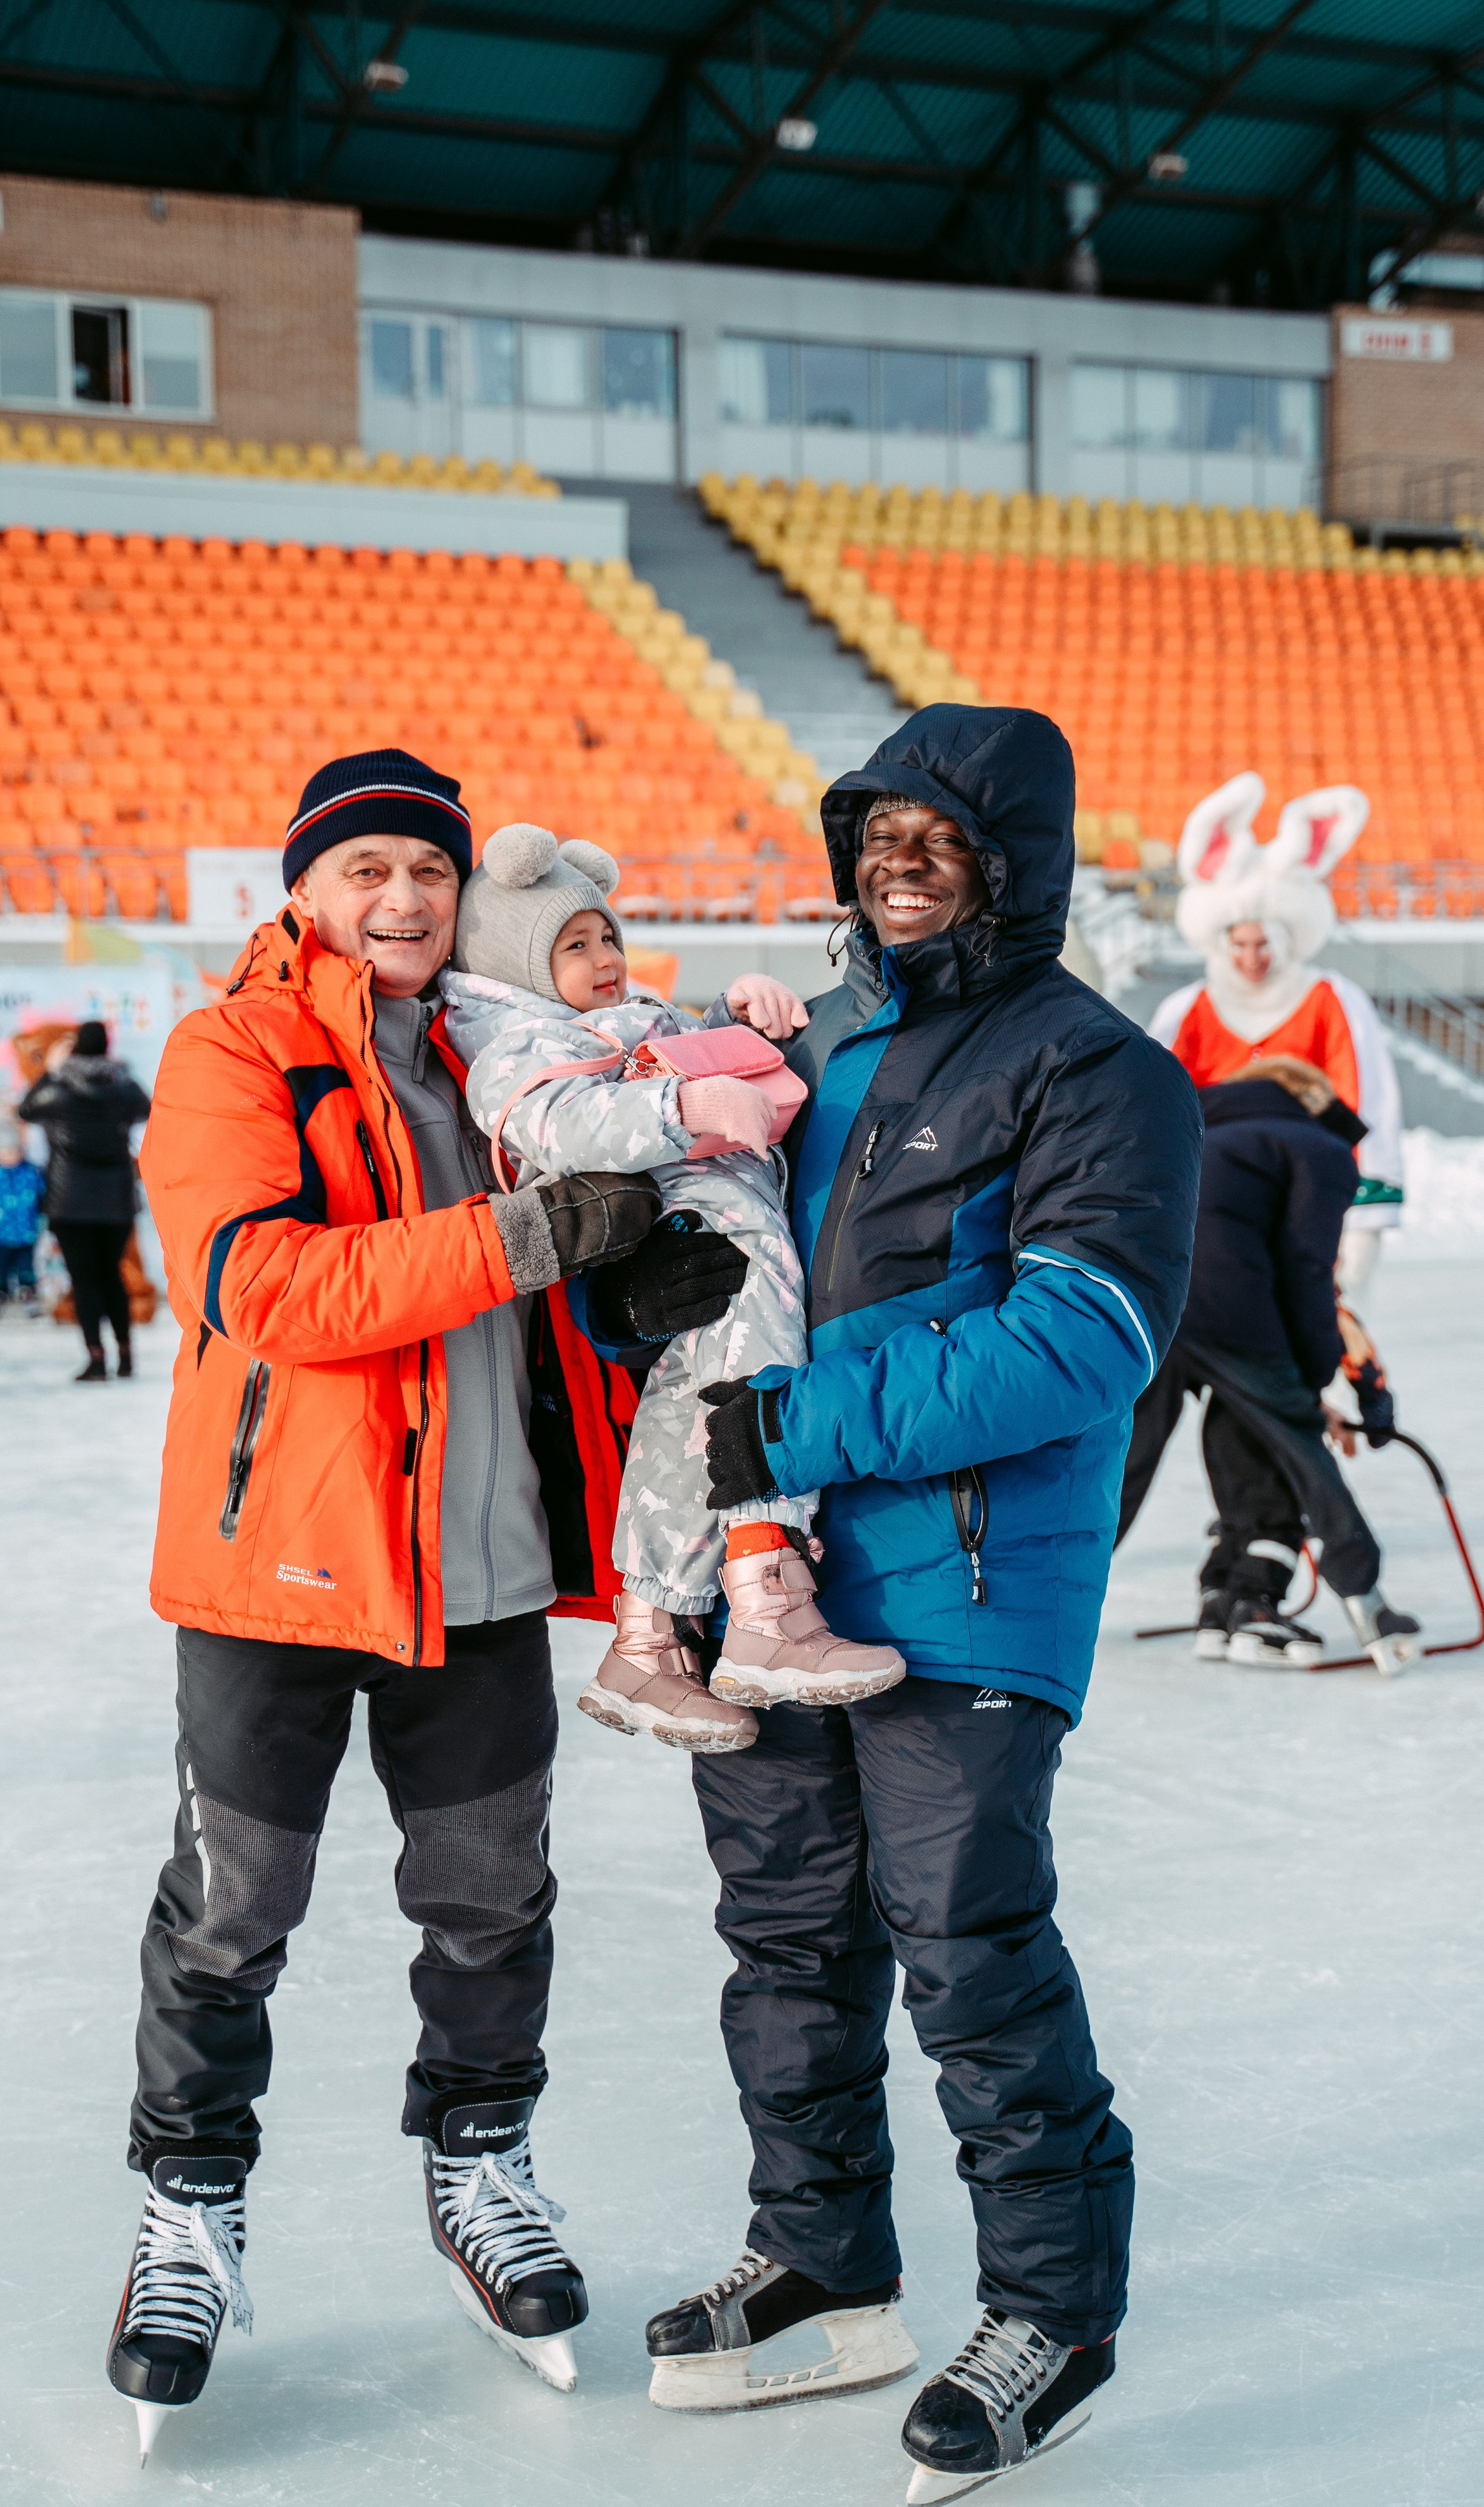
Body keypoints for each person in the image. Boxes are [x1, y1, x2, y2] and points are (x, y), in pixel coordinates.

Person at [105, 748, 735, 2461]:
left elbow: (547, 1295)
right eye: (365, 868)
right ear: (305, 889)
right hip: (280, 1566)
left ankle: (481, 2161)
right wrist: (534, 1235)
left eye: (430, 871)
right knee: (234, 1909)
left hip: (486, 1572)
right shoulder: (237, 1048)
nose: (400, 897)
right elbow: (260, 1283)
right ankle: (187, 2203)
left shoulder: (498, 1051)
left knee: (490, 1896)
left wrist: (626, 1296)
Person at [602, 706, 1201, 2499]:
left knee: (966, 1944)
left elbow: (1080, 1336)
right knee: (786, 1933)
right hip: (768, 1577)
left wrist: (785, 1420)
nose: (896, 864)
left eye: (938, 839)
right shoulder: (812, 1044)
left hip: (965, 1576)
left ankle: (1051, 2311)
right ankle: (825, 2260)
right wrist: (648, 1296)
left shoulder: (1097, 1068)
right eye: (875, 835)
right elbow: (730, 1273)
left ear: (1016, 865)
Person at [442, 821, 905, 1753]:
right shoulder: (513, 1044)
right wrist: (680, 1106)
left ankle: (649, 1640)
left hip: (714, 1222)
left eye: (607, 936)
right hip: (688, 1226)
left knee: (691, 1412)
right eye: (573, 946)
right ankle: (767, 1597)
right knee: (749, 1397)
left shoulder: (626, 1016)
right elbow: (557, 1123)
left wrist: (739, 1013)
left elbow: (692, 1051)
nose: (604, 958)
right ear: (515, 962)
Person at [1116, 1056, 1420, 1678]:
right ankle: (1367, 1601)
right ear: (1314, 1100)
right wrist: (1308, 1384)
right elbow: (1308, 1270)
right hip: (1229, 1302)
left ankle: (1217, 1596)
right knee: (1295, 1440)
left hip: (1144, 1299)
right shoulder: (1318, 1146)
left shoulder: (1189, 1128)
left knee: (1119, 1462)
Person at [1151, 772, 1402, 1307]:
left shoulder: (1331, 999)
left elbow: (1365, 1102)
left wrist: (1366, 1216)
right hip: (1214, 1207)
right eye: (1239, 943)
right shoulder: (1185, 1010)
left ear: (1286, 938)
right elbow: (1156, 1110)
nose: (1251, 957)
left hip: (1308, 1202)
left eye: (1263, 942)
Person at [17, 1020, 151, 1380]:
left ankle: (96, 1359)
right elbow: (147, 1109)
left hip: (70, 1199)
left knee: (85, 1281)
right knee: (113, 1276)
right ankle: (126, 1354)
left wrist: (50, 1071)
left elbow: (26, 1110)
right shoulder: (122, 1085)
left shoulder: (59, 1087)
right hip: (116, 1197)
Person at [0, 1123, 46, 1319]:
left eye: (13, 1151)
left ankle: (29, 1295)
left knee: (26, 1268)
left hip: (26, 1233)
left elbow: (44, 1197)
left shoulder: (31, 1173)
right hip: (0, 1233)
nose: (9, 1156)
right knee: (0, 1268)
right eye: (4, 1152)